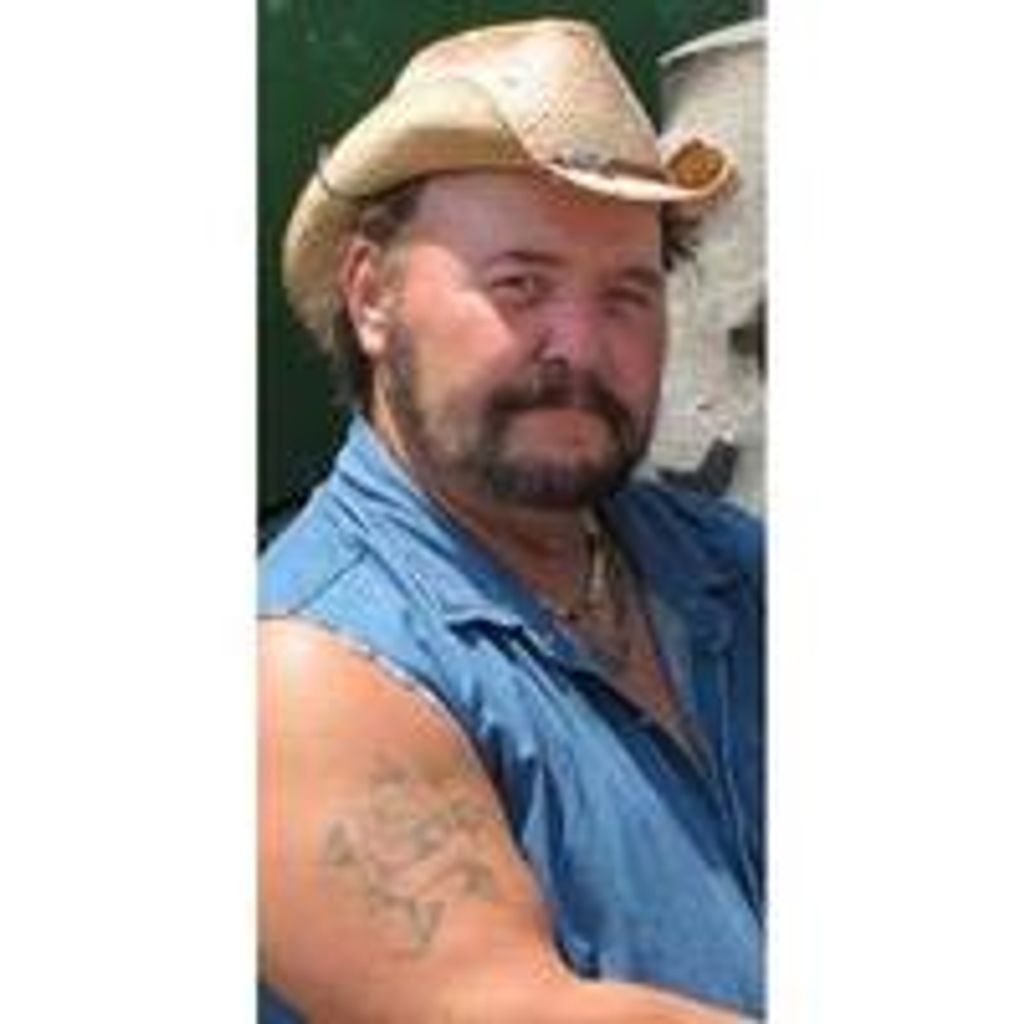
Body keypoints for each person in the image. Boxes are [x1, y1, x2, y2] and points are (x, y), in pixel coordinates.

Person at [259, 18, 764, 1024]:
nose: (578, 345)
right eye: (520, 284)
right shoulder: (304, 677)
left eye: (627, 294)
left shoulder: (733, 570)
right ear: (371, 296)